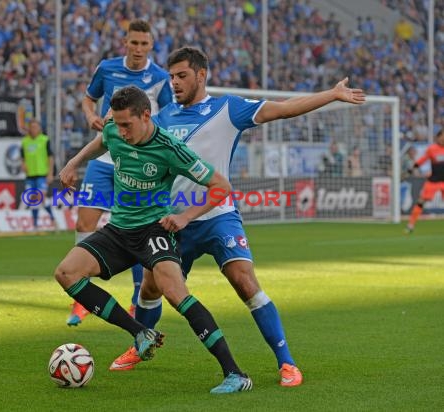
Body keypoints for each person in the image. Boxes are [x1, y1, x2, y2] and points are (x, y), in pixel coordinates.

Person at [110, 47, 366, 387]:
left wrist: (332, 94)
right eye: (171, 77)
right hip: (174, 220)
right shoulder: (163, 117)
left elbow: (285, 109)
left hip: (217, 215)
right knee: (151, 285)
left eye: (182, 76)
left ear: (201, 76)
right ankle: (140, 344)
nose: (174, 82)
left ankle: (286, 362)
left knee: (245, 281)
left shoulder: (228, 108)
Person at [55, 86, 253, 394]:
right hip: (119, 229)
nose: (120, 131)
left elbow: (220, 185)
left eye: (126, 125)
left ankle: (235, 374)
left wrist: (186, 216)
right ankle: (140, 332)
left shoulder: (170, 148)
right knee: (66, 273)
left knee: (175, 292)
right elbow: (101, 141)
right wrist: (73, 162)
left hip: (153, 230)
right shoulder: (114, 130)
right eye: (117, 124)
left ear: (146, 116)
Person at [67, 19, 173, 326]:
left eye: (144, 43)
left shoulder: (160, 78)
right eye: (133, 42)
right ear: (124, 42)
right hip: (105, 158)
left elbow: (167, 116)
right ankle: (81, 298)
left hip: (138, 163)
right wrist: (90, 116)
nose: (138, 49)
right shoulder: (107, 68)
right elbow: (88, 98)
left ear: (151, 45)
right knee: (84, 220)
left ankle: (135, 300)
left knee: (138, 227)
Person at [405, 127, 444, 234]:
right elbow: (423, 160)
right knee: (421, 201)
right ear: (438, 137)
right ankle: (411, 225)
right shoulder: (432, 149)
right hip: (434, 181)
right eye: (442, 136)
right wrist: (413, 167)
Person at [20, 118, 55, 229]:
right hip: (30, 175)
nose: (34, 129)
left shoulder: (44, 140)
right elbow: (22, 157)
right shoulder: (25, 141)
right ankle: (35, 224)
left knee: (41, 196)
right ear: (29, 128)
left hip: (41, 174)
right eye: (32, 127)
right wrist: (23, 164)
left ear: (39, 128)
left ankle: (52, 218)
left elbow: (50, 157)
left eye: (36, 127)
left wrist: (50, 173)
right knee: (33, 198)